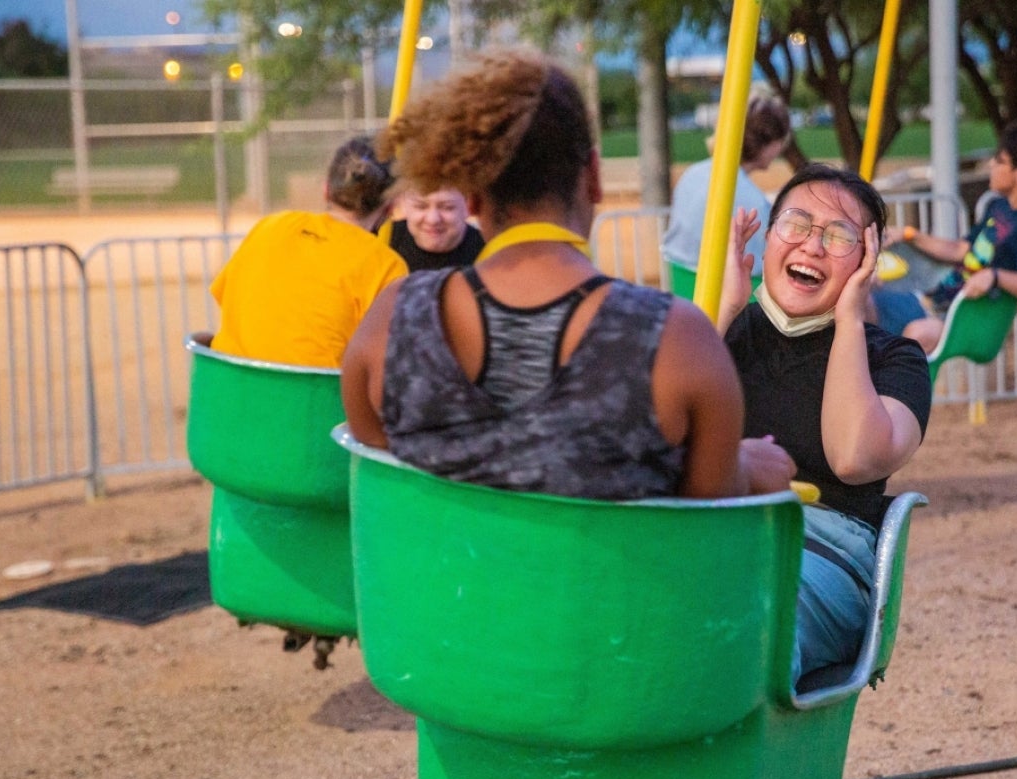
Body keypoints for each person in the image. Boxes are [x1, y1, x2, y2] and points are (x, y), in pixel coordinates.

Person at [340, 48, 795, 500]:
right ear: (594, 177)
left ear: (472, 196)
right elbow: (712, 520)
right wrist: (749, 469)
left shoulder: (392, 320)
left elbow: (390, 492)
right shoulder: (679, 341)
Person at [716, 163, 932, 681]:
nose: (812, 246)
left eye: (838, 237)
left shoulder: (894, 360)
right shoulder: (718, 330)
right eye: (795, 224)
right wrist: (720, 311)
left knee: (737, 628)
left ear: (868, 260)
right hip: (715, 535)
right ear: (767, 239)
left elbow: (853, 457)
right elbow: (657, 441)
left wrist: (850, 320)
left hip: (824, 553)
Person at [209, 134, 408, 368]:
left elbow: (228, 300)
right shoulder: (387, 266)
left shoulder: (269, 226)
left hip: (224, 393)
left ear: (326, 189)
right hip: (317, 400)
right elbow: (389, 360)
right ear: (391, 207)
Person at [871, 123, 1017, 353]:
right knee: (863, 298)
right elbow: (960, 249)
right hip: (934, 301)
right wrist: (910, 234)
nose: (991, 164)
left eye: (1000, 161)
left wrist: (993, 276)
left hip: (963, 319)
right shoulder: (998, 206)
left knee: (915, 334)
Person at [662, 93, 792, 282]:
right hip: (730, 297)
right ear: (769, 142)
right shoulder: (755, 204)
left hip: (683, 285)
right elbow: (762, 269)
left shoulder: (692, 175)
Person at [378, 186, 486, 271]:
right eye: (421, 206)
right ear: (403, 204)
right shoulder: (383, 241)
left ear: (468, 207)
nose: (432, 219)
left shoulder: (489, 253)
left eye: (447, 207)